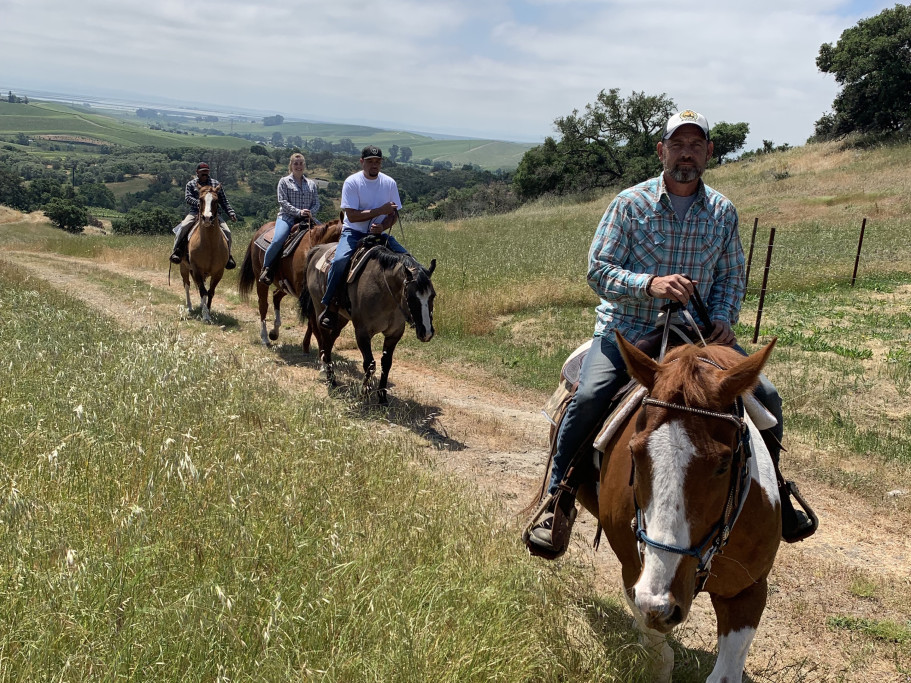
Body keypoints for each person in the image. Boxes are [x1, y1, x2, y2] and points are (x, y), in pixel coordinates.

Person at [526, 110, 815, 555]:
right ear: (661, 151)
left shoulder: (722, 211)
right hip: (630, 328)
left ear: (708, 154)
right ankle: (557, 497)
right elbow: (597, 272)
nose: (686, 154)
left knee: (768, 398)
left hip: (699, 336)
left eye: (695, 146)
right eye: (677, 145)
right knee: (588, 398)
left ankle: (775, 497)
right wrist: (650, 285)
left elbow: (731, 275)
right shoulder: (630, 203)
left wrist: (723, 317)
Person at [317, 145, 407, 329]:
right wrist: (380, 211)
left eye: (378, 162)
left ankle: (409, 306)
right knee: (340, 261)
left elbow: (394, 213)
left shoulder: (389, 183)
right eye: (370, 162)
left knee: (408, 260)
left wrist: (383, 225)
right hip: (354, 232)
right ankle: (329, 305)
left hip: (379, 234)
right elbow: (352, 215)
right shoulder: (352, 182)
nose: (374, 165)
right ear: (362, 162)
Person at [259, 152, 322, 284]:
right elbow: (282, 201)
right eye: (295, 164)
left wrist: (310, 212)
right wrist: (299, 212)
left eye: (301, 163)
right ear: (291, 165)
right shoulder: (284, 181)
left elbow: (317, 203)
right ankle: (267, 268)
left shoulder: (311, 184)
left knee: (325, 236)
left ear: (304, 165)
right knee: (278, 239)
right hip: (287, 218)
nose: (298, 166)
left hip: (308, 218)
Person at [169, 162, 237, 269]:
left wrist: (231, 213)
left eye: (206, 172)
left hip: (213, 214)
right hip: (195, 212)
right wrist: (201, 203)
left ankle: (228, 256)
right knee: (183, 227)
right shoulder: (191, 184)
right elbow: (188, 198)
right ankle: (176, 252)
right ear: (197, 172)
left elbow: (224, 201)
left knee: (227, 232)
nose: (205, 175)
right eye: (202, 173)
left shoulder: (215, 183)